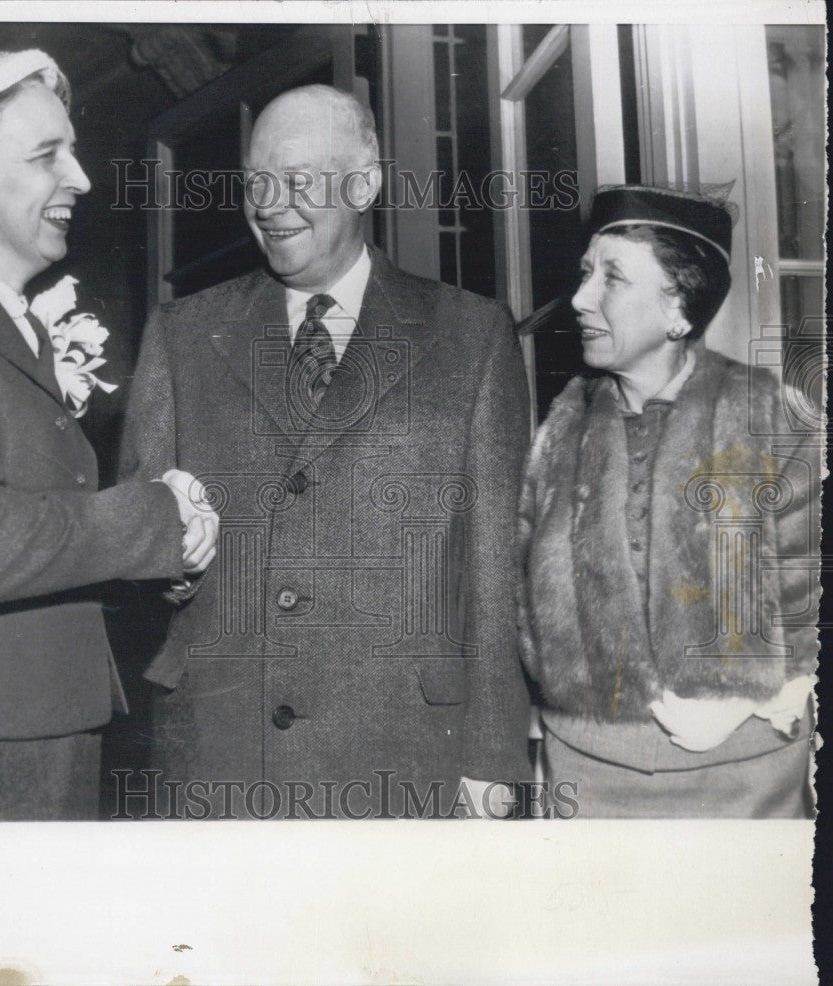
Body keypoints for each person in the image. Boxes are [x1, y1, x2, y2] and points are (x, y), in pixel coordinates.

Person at [120, 84, 532, 818]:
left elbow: (495, 571)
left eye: (299, 180)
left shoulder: (471, 338)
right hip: (219, 754)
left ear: (365, 182)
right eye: (257, 183)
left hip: (403, 751)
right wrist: (167, 569)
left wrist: (495, 756)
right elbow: (137, 543)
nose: (271, 204)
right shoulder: (182, 335)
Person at [0, 50, 218, 821]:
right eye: (45, 155)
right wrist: (152, 519)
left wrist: (165, 560)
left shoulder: (0, 318)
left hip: (31, 718)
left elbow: (38, 523)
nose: (82, 179)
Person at [517, 184, 818, 818]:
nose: (579, 297)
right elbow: (523, 597)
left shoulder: (770, 417)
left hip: (742, 779)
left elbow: (811, 589)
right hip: (590, 776)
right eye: (584, 273)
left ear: (679, 306)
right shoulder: (561, 428)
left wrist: (740, 698)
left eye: (613, 278)